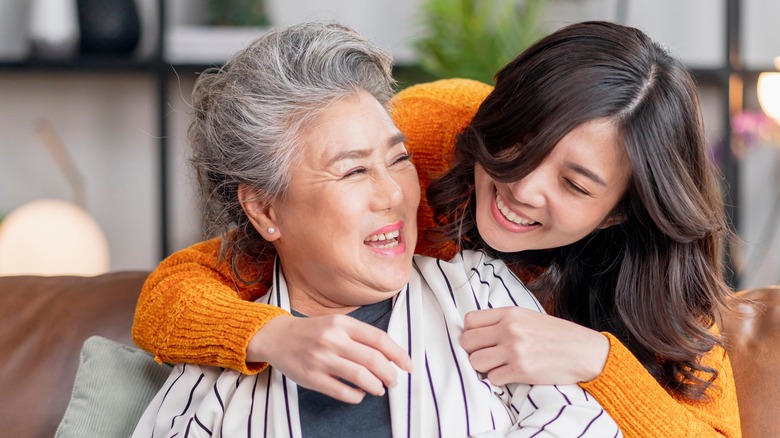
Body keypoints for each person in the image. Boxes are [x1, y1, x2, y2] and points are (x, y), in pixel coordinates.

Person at [132, 21, 741, 436]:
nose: (525, 188)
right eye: (521, 145)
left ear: (618, 210)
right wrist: (271, 336)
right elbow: (179, 288)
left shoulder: (648, 279)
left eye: (576, 185)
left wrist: (599, 360)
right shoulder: (426, 140)